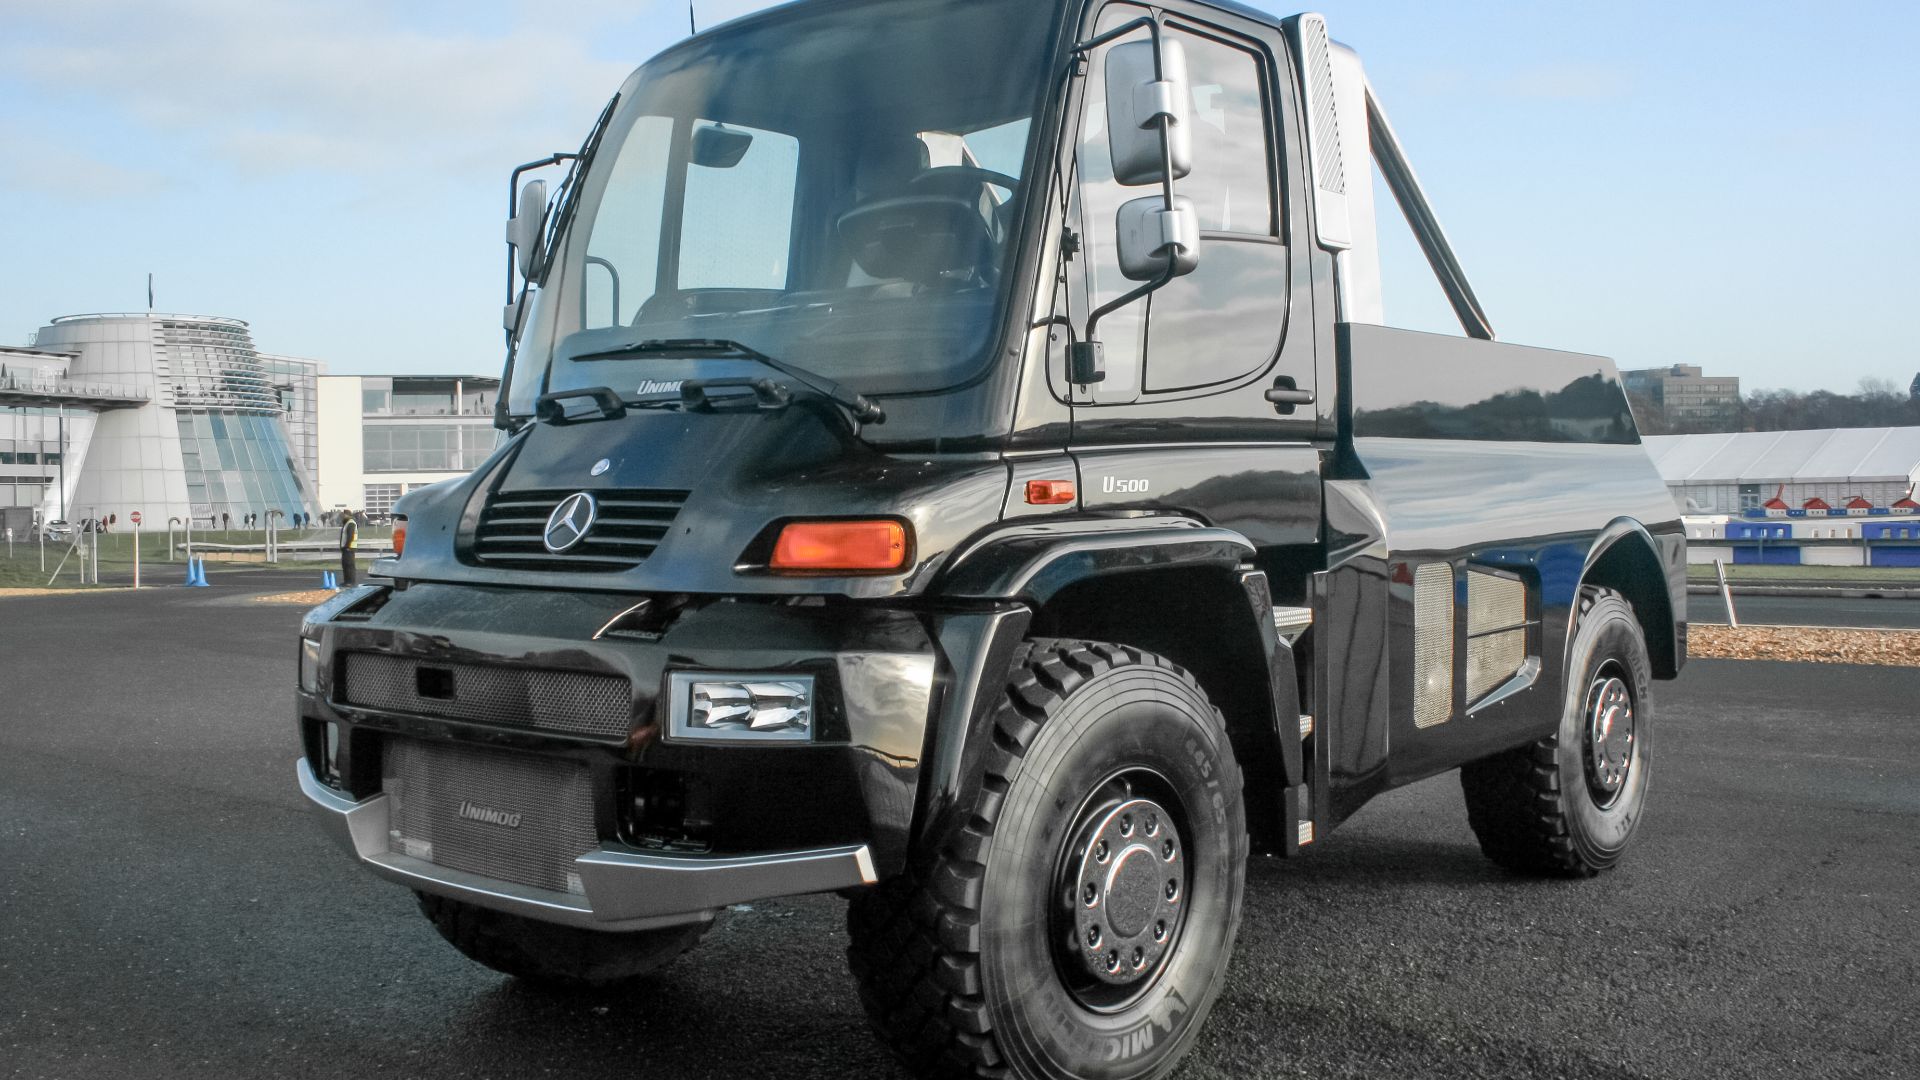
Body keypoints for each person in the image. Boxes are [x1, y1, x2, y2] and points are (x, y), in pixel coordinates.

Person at [338, 509, 360, 587]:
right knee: (345, 565)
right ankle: (346, 581)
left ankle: (351, 581)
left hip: (349, 548)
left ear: (347, 515)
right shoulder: (347, 523)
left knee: (349, 565)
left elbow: (350, 536)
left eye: (344, 514)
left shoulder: (351, 523)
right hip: (346, 548)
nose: (343, 516)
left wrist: (347, 546)